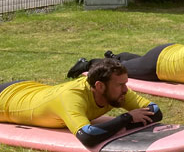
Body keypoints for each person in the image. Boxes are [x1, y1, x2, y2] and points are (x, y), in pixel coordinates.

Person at [0, 59, 162, 147]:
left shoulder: (117, 92)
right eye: (120, 85)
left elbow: (155, 111)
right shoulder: (71, 97)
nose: (126, 90)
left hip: (29, 88)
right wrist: (126, 119)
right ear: (99, 86)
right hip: (5, 99)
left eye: (125, 83)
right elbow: (88, 136)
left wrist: (122, 124)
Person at [67, 23, 184, 88]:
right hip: (159, 65)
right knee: (119, 70)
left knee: (136, 62)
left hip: (170, 53)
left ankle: (118, 55)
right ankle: (87, 63)